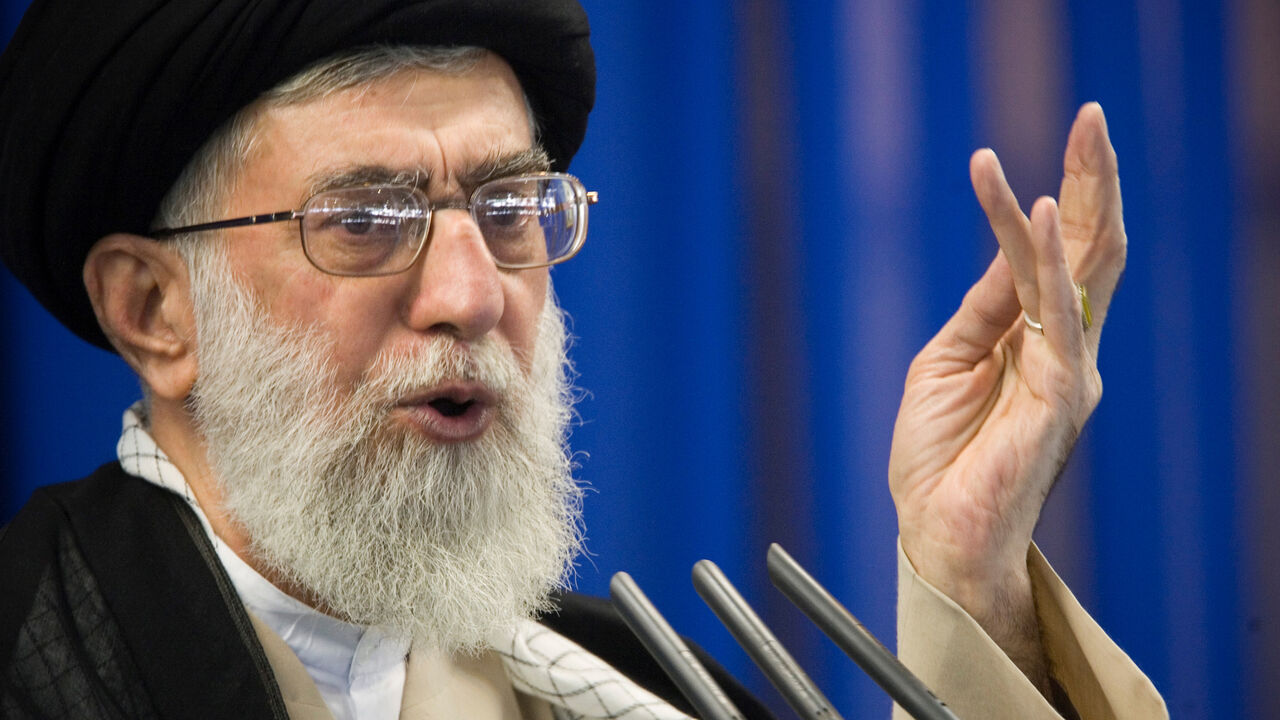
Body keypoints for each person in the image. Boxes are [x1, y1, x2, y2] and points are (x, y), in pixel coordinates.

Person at [0, 1, 1165, 718]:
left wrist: (971, 587)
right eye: (363, 221)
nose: (468, 295)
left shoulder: (638, 687)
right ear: (155, 310)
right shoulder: (34, 654)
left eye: (509, 206)